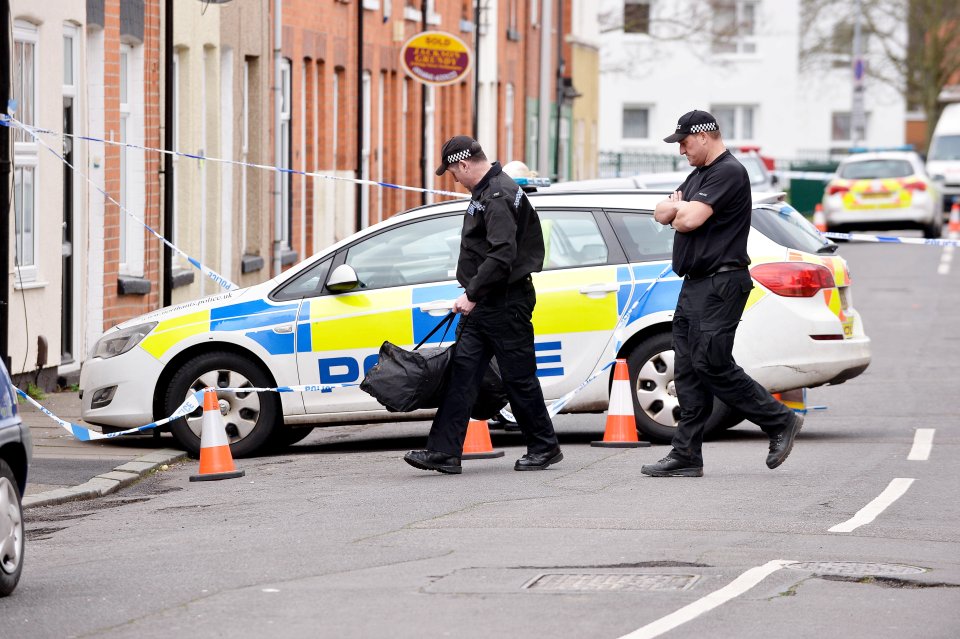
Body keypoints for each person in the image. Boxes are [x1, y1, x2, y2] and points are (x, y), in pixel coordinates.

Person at [642, 110, 803, 478]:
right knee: (687, 370)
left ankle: (779, 421)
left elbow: (686, 219)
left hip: (721, 282)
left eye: (684, 142)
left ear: (703, 136)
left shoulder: (728, 172)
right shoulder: (699, 175)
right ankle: (686, 454)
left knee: (711, 364)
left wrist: (678, 208)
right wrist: (676, 207)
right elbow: (660, 211)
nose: (681, 149)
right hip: (696, 283)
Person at [403, 136, 562, 475]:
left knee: (519, 379)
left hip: (503, 302)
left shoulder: (498, 195)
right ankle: (443, 452)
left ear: (463, 164)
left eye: (452, 172)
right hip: (488, 303)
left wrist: (471, 294)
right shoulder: (489, 191)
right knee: (461, 375)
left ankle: (544, 447)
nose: (454, 180)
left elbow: (502, 254)